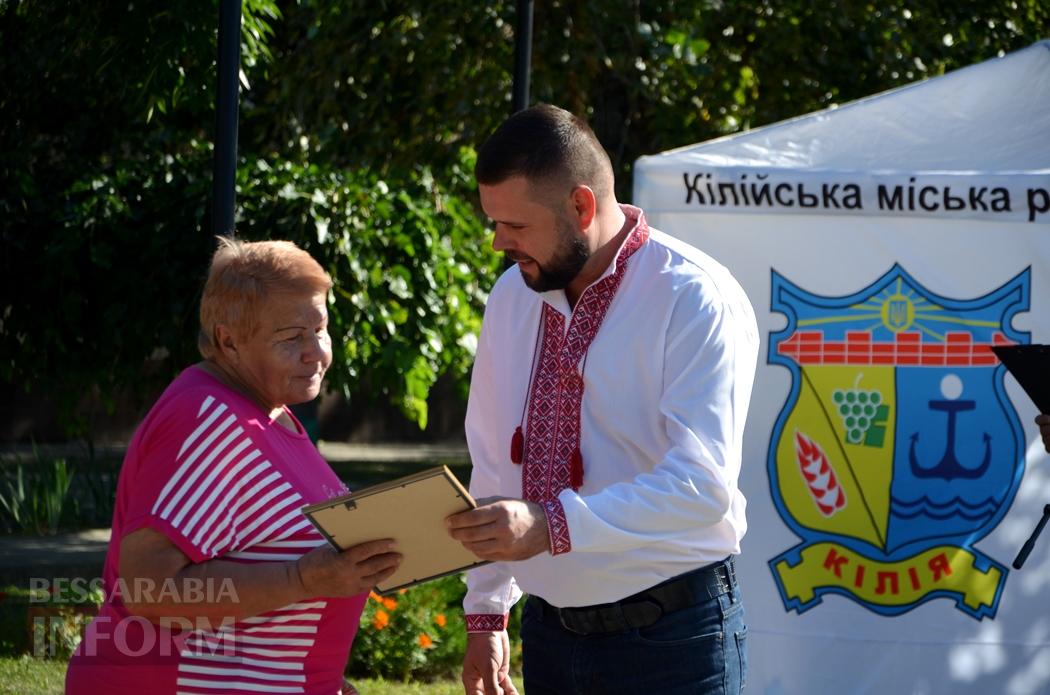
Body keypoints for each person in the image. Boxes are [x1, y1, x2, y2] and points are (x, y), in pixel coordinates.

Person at [445, 104, 759, 695]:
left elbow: (701, 486)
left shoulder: (692, 295)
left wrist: (553, 525)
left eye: (514, 225)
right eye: (493, 223)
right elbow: (492, 463)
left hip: (674, 641)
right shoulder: (512, 295)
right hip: (551, 634)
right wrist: (486, 613)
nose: (496, 243)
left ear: (581, 206)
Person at [66, 238, 402, 694]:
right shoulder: (207, 419)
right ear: (228, 340)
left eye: (320, 330)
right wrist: (303, 578)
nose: (315, 352)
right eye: (290, 338)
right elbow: (149, 588)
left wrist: (317, 673)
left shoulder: (268, 411)